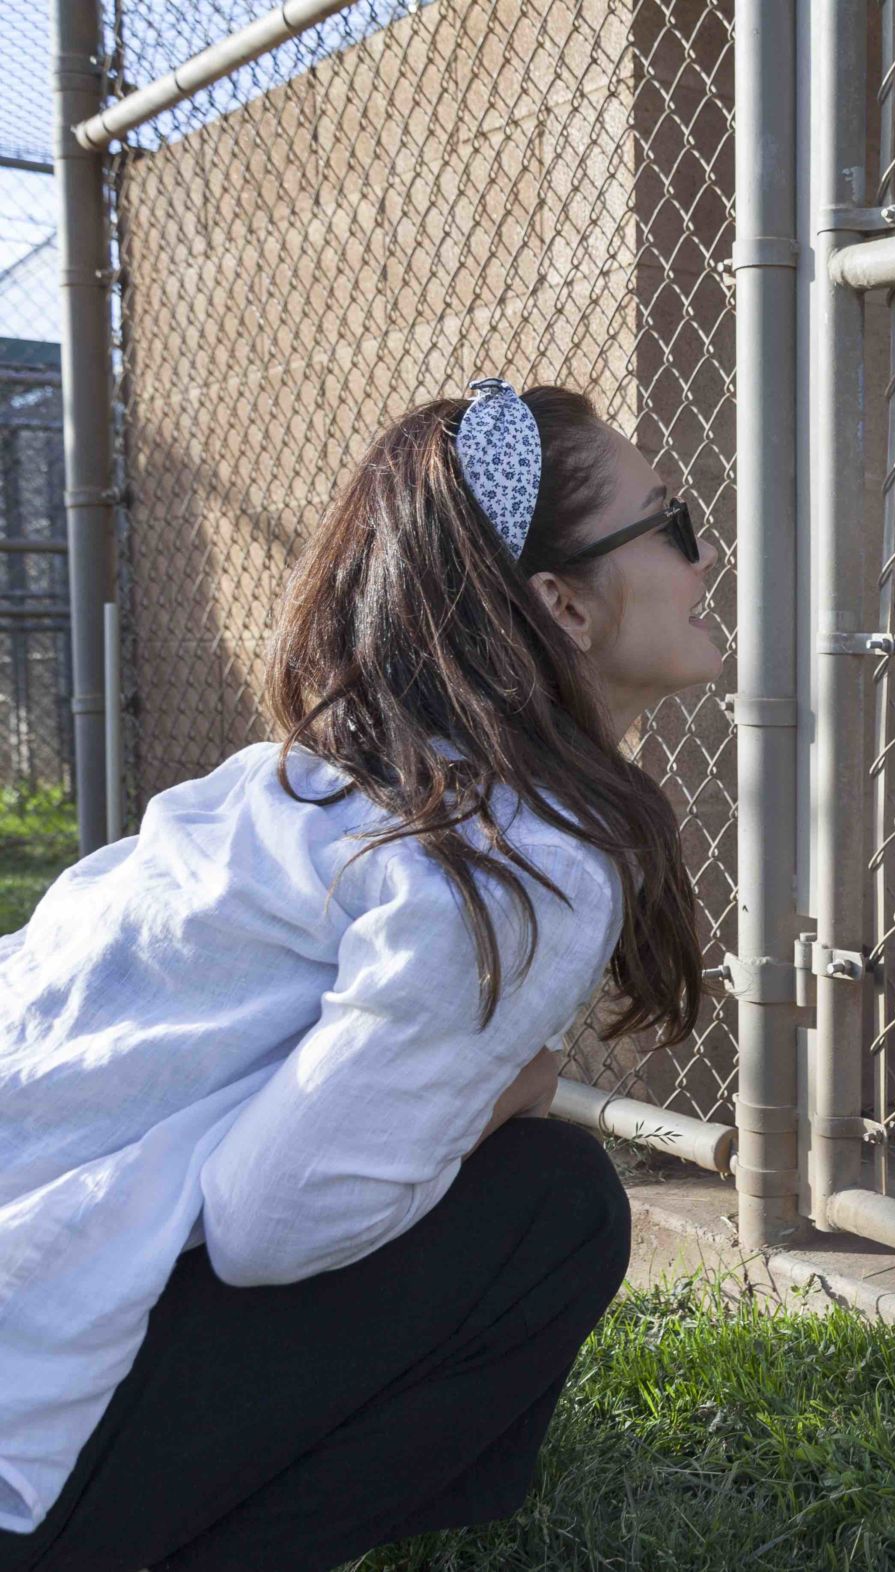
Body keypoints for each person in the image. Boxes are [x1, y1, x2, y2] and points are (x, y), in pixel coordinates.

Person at [0, 380, 723, 1571]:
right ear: (562, 604)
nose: (705, 564)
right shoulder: (516, 857)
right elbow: (268, 1227)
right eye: (675, 526)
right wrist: (499, 1102)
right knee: (552, 1207)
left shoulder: (314, 779)